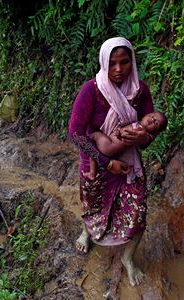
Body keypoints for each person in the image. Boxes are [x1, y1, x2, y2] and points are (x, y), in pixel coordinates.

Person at [68, 37, 156, 287]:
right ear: (104, 63)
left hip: (129, 165)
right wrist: (106, 162)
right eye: (113, 63)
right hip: (96, 160)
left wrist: (145, 136)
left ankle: (128, 258)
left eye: (124, 62)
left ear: (133, 62)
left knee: (137, 212)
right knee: (93, 204)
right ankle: (87, 232)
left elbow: (149, 135)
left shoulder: (140, 92)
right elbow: (75, 133)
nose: (118, 69)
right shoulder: (91, 90)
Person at [85, 111, 167, 180]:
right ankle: (92, 173)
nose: (152, 120)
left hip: (109, 145)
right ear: (146, 115)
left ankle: (92, 171)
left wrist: (120, 134)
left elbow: (128, 137)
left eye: (156, 123)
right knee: (93, 151)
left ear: (156, 132)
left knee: (93, 136)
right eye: (152, 116)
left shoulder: (140, 131)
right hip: (112, 149)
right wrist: (118, 132)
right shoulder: (138, 124)